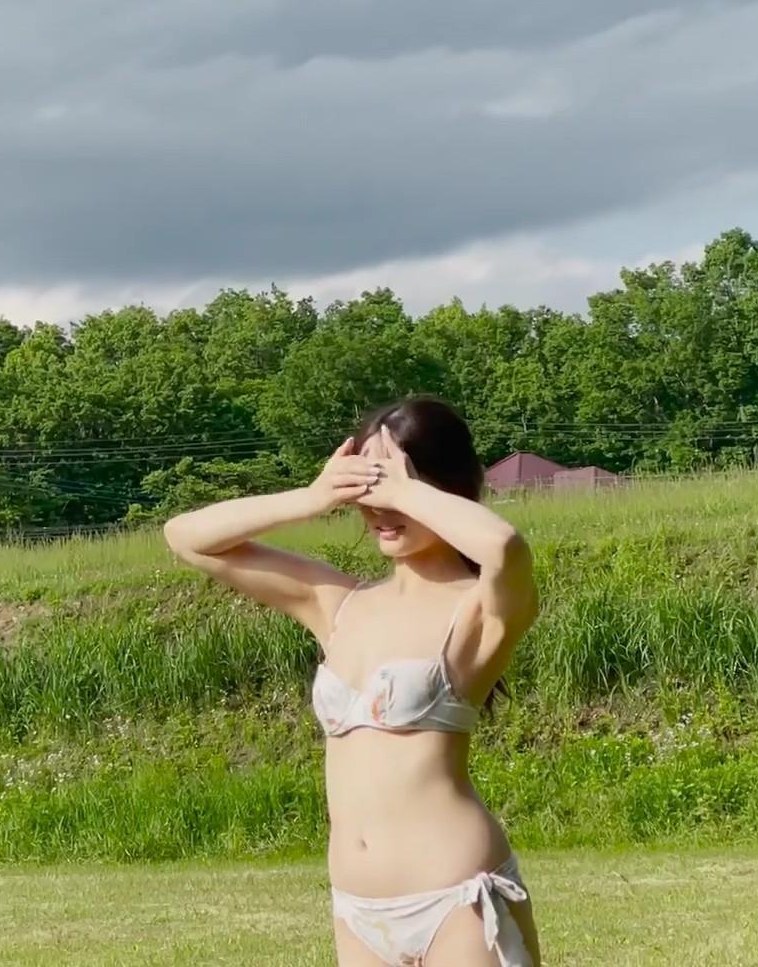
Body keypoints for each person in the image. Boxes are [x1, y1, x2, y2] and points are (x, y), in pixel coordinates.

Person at [163, 396, 541, 966]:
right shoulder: (338, 604)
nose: (379, 506)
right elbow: (185, 536)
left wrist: (404, 490)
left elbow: (504, 546)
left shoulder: (479, 608)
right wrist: (312, 497)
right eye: (367, 486)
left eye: (392, 482)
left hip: (457, 897)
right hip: (358, 911)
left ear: (443, 486)